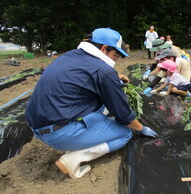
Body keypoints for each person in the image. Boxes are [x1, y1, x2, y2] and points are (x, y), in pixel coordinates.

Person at [25, 27, 157, 179]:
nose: (116, 59)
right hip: (57, 134)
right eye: (116, 55)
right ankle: (74, 159)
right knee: (125, 133)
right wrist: (141, 129)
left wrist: (115, 77)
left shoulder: (68, 56)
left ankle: (80, 139)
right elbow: (124, 115)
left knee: (101, 106)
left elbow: (89, 75)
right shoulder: (103, 72)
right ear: (104, 48)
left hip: (38, 126)